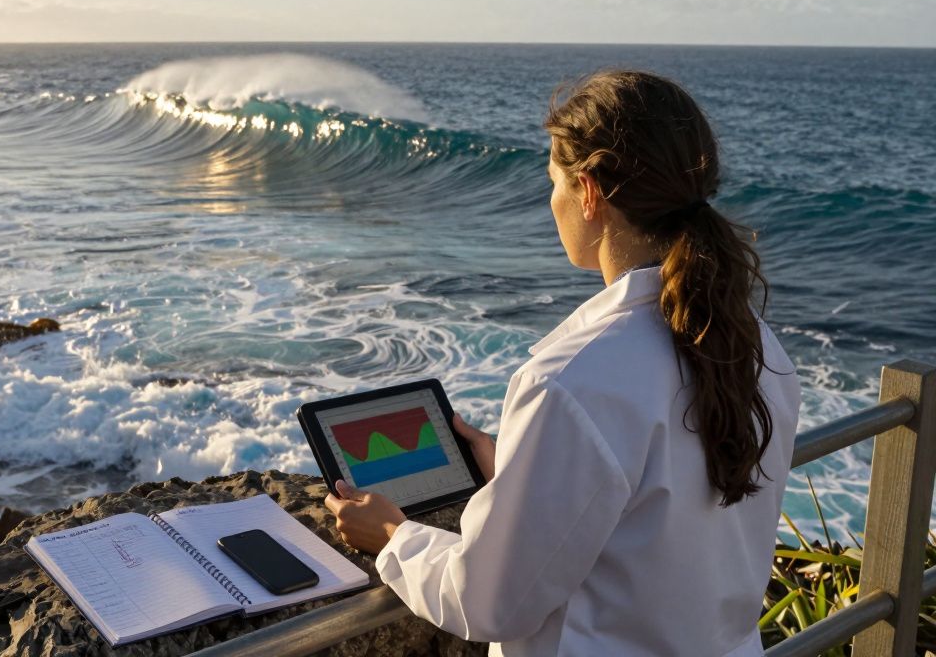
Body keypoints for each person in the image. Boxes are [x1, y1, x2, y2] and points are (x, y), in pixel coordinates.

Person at [323, 70, 801, 656]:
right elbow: (662, 517)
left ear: (590, 192)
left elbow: (489, 600)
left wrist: (394, 536)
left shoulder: (571, 382)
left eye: (554, 182)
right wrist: (527, 474)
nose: (551, 202)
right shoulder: (754, 345)